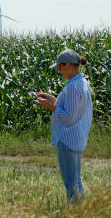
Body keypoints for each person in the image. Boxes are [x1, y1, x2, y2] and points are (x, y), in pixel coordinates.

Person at [32, 48, 93, 203]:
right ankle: (83, 210)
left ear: (67, 65)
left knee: (71, 184)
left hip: (68, 139)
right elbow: (70, 109)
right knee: (76, 181)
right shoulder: (81, 82)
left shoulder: (73, 87)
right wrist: (52, 99)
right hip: (77, 138)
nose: (59, 71)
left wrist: (50, 106)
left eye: (59, 67)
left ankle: (74, 212)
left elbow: (68, 118)